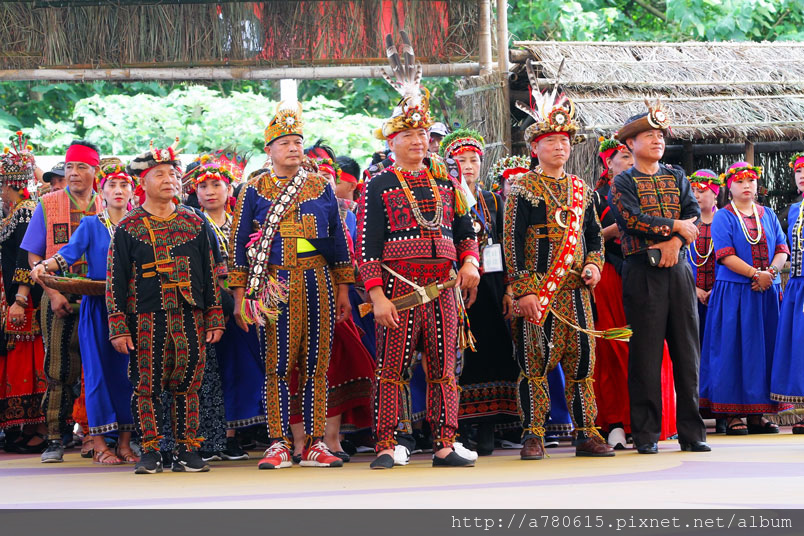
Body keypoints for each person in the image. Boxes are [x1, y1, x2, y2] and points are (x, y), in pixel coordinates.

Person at [356, 32, 480, 469]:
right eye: (408, 134)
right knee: (391, 368)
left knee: (445, 368)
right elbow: (367, 245)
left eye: (422, 133)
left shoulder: (447, 182)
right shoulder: (378, 185)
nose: (417, 140)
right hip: (399, 287)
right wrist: (376, 296)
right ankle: (387, 443)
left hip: (444, 287)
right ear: (391, 141)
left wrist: (470, 262)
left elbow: (466, 228)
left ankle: (445, 442)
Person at [229, 101, 354, 470]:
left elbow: (337, 239)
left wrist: (343, 289)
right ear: (269, 150)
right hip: (274, 283)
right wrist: (240, 298)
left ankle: (315, 444)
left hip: (318, 280)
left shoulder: (321, 186)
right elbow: (238, 244)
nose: (294, 148)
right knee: (277, 364)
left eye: (298, 142)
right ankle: (279, 442)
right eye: (285, 143)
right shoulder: (253, 189)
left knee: (316, 363)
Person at [504, 86, 613, 461]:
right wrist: (523, 291)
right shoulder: (523, 188)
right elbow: (512, 242)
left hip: (576, 293)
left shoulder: (582, 189)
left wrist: (594, 264)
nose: (559, 147)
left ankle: (586, 433)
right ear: (535, 147)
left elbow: (594, 237)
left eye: (564, 141)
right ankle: (533, 435)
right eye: (550, 141)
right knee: (534, 365)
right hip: (539, 294)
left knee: (582, 364)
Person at [107, 140, 225, 474]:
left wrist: (214, 316)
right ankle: (151, 450)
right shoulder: (128, 226)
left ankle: (187, 449)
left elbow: (210, 272)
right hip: (145, 317)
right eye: (160, 174)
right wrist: (118, 326)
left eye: (173, 174)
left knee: (189, 384)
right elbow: (115, 279)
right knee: (147, 385)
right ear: (143, 182)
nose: (169, 180)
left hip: (190, 315)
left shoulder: (195, 222)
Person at [610, 101, 709, 454]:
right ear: (630, 143)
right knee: (645, 355)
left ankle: (692, 433)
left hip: (679, 270)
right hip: (642, 272)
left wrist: (675, 243)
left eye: (660, 135)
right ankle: (647, 434)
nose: (657, 140)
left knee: (687, 353)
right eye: (649, 135)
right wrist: (675, 227)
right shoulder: (622, 181)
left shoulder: (677, 176)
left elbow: (693, 213)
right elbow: (630, 220)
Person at [31, 159, 139, 465]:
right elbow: (67, 255)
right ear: (102, 192)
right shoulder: (91, 225)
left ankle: (125, 443)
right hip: (97, 309)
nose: (118, 190)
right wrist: (44, 266)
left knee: (129, 374)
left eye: (124, 185)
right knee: (97, 374)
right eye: (112, 185)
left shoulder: (139, 225)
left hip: (131, 309)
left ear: (133, 192)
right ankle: (100, 443)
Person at [591, 136, 677, 449]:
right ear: (608, 163)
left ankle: (652, 421)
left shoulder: (653, 186)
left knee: (652, 347)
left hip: (649, 272)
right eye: (624, 157)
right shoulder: (596, 197)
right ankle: (614, 421)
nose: (630, 161)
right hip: (611, 276)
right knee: (613, 347)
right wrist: (620, 228)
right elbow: (588, 238)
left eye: (631, 156)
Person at [22, 139, 104, 463]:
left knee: (99, 364)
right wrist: (53, 293)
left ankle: (99, 435)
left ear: (95, 170)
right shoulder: (48, 203)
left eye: (81, 166)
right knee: (58, 367)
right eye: (69, 166)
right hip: (58, 293)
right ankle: (55, 437)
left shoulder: (108, 203)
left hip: (100, 296)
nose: (73, 173)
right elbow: (33, 256)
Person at [439, 129, 519, 456]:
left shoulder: (492, 200)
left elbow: (504, 243)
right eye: (461, 160)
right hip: (456, 285)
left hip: (492, 284)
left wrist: (509, 288)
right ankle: (459, 427)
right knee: (460, 355)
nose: (468, 166)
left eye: (474, 160)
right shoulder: (444, 196)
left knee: (494, 350)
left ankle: (489, 426)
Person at [700, 161, 789, 434]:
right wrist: (755, 274)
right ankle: (732, 414)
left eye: (750, 181)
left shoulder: (768, 214)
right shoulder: (724, 217)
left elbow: (782, 248)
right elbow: (724, 255)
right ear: (729, 187)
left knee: (763, 351)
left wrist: (770, 273)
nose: (746, 185)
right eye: (740, 182)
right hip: (735, 294)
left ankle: (757, 414)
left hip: (766, 293)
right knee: (733, 350)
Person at [0, 132, 47, 454]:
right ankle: (23, 426)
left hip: (25, 299)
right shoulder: (13, 212)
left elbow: (24, 256)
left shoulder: (27, 210)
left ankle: (38, 427)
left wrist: (19, 297)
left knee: (28, 360)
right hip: (13, 298)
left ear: (11, 184)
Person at [771, 152, 804, 431]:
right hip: (797, 285)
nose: (802, 175)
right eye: (798, 171)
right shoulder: (794, 210)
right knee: (798, 346)